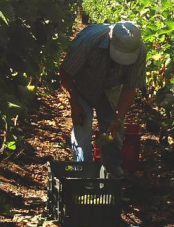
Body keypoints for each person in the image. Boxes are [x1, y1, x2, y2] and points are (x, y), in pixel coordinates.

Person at [59, 22, 146, 177]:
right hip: (82, 85)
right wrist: (74, 104)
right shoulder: (88, 42)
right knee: (83, 127)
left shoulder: (139, 51)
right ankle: (83, 172)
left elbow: (130, 88)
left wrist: (119, 117)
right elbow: (65, 73)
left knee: (113, 129)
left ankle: (112, 171)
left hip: (110, 88)